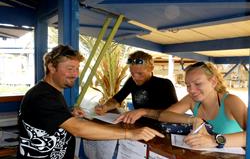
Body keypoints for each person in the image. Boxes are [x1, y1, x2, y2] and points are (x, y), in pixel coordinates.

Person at [17, 45, 164, 159]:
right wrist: (129, 134)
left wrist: (67, 114)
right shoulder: (43, 96)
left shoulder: (51, 92)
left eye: (77, 68)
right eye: (69, 68)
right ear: (51, 67)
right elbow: (78, 129)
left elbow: (48, 119)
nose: (75, 74)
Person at [157, 62, 247, 148]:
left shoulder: (231, 101)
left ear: (213, 82)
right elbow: (164, 115)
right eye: (188, 85)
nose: (191, 90)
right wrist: (194, 120)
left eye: (198, 84)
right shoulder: (192, 99)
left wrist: (213, 140)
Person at [95, 50, 178, 124]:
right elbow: (117, 99)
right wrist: (105, 107)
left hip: (161, 128)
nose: (135, 78)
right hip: (137, 125)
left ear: (151, 68)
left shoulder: (164, 84)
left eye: (140, 73)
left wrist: (144, 112)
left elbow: (174, 115)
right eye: (132, 73)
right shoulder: (131, 81)